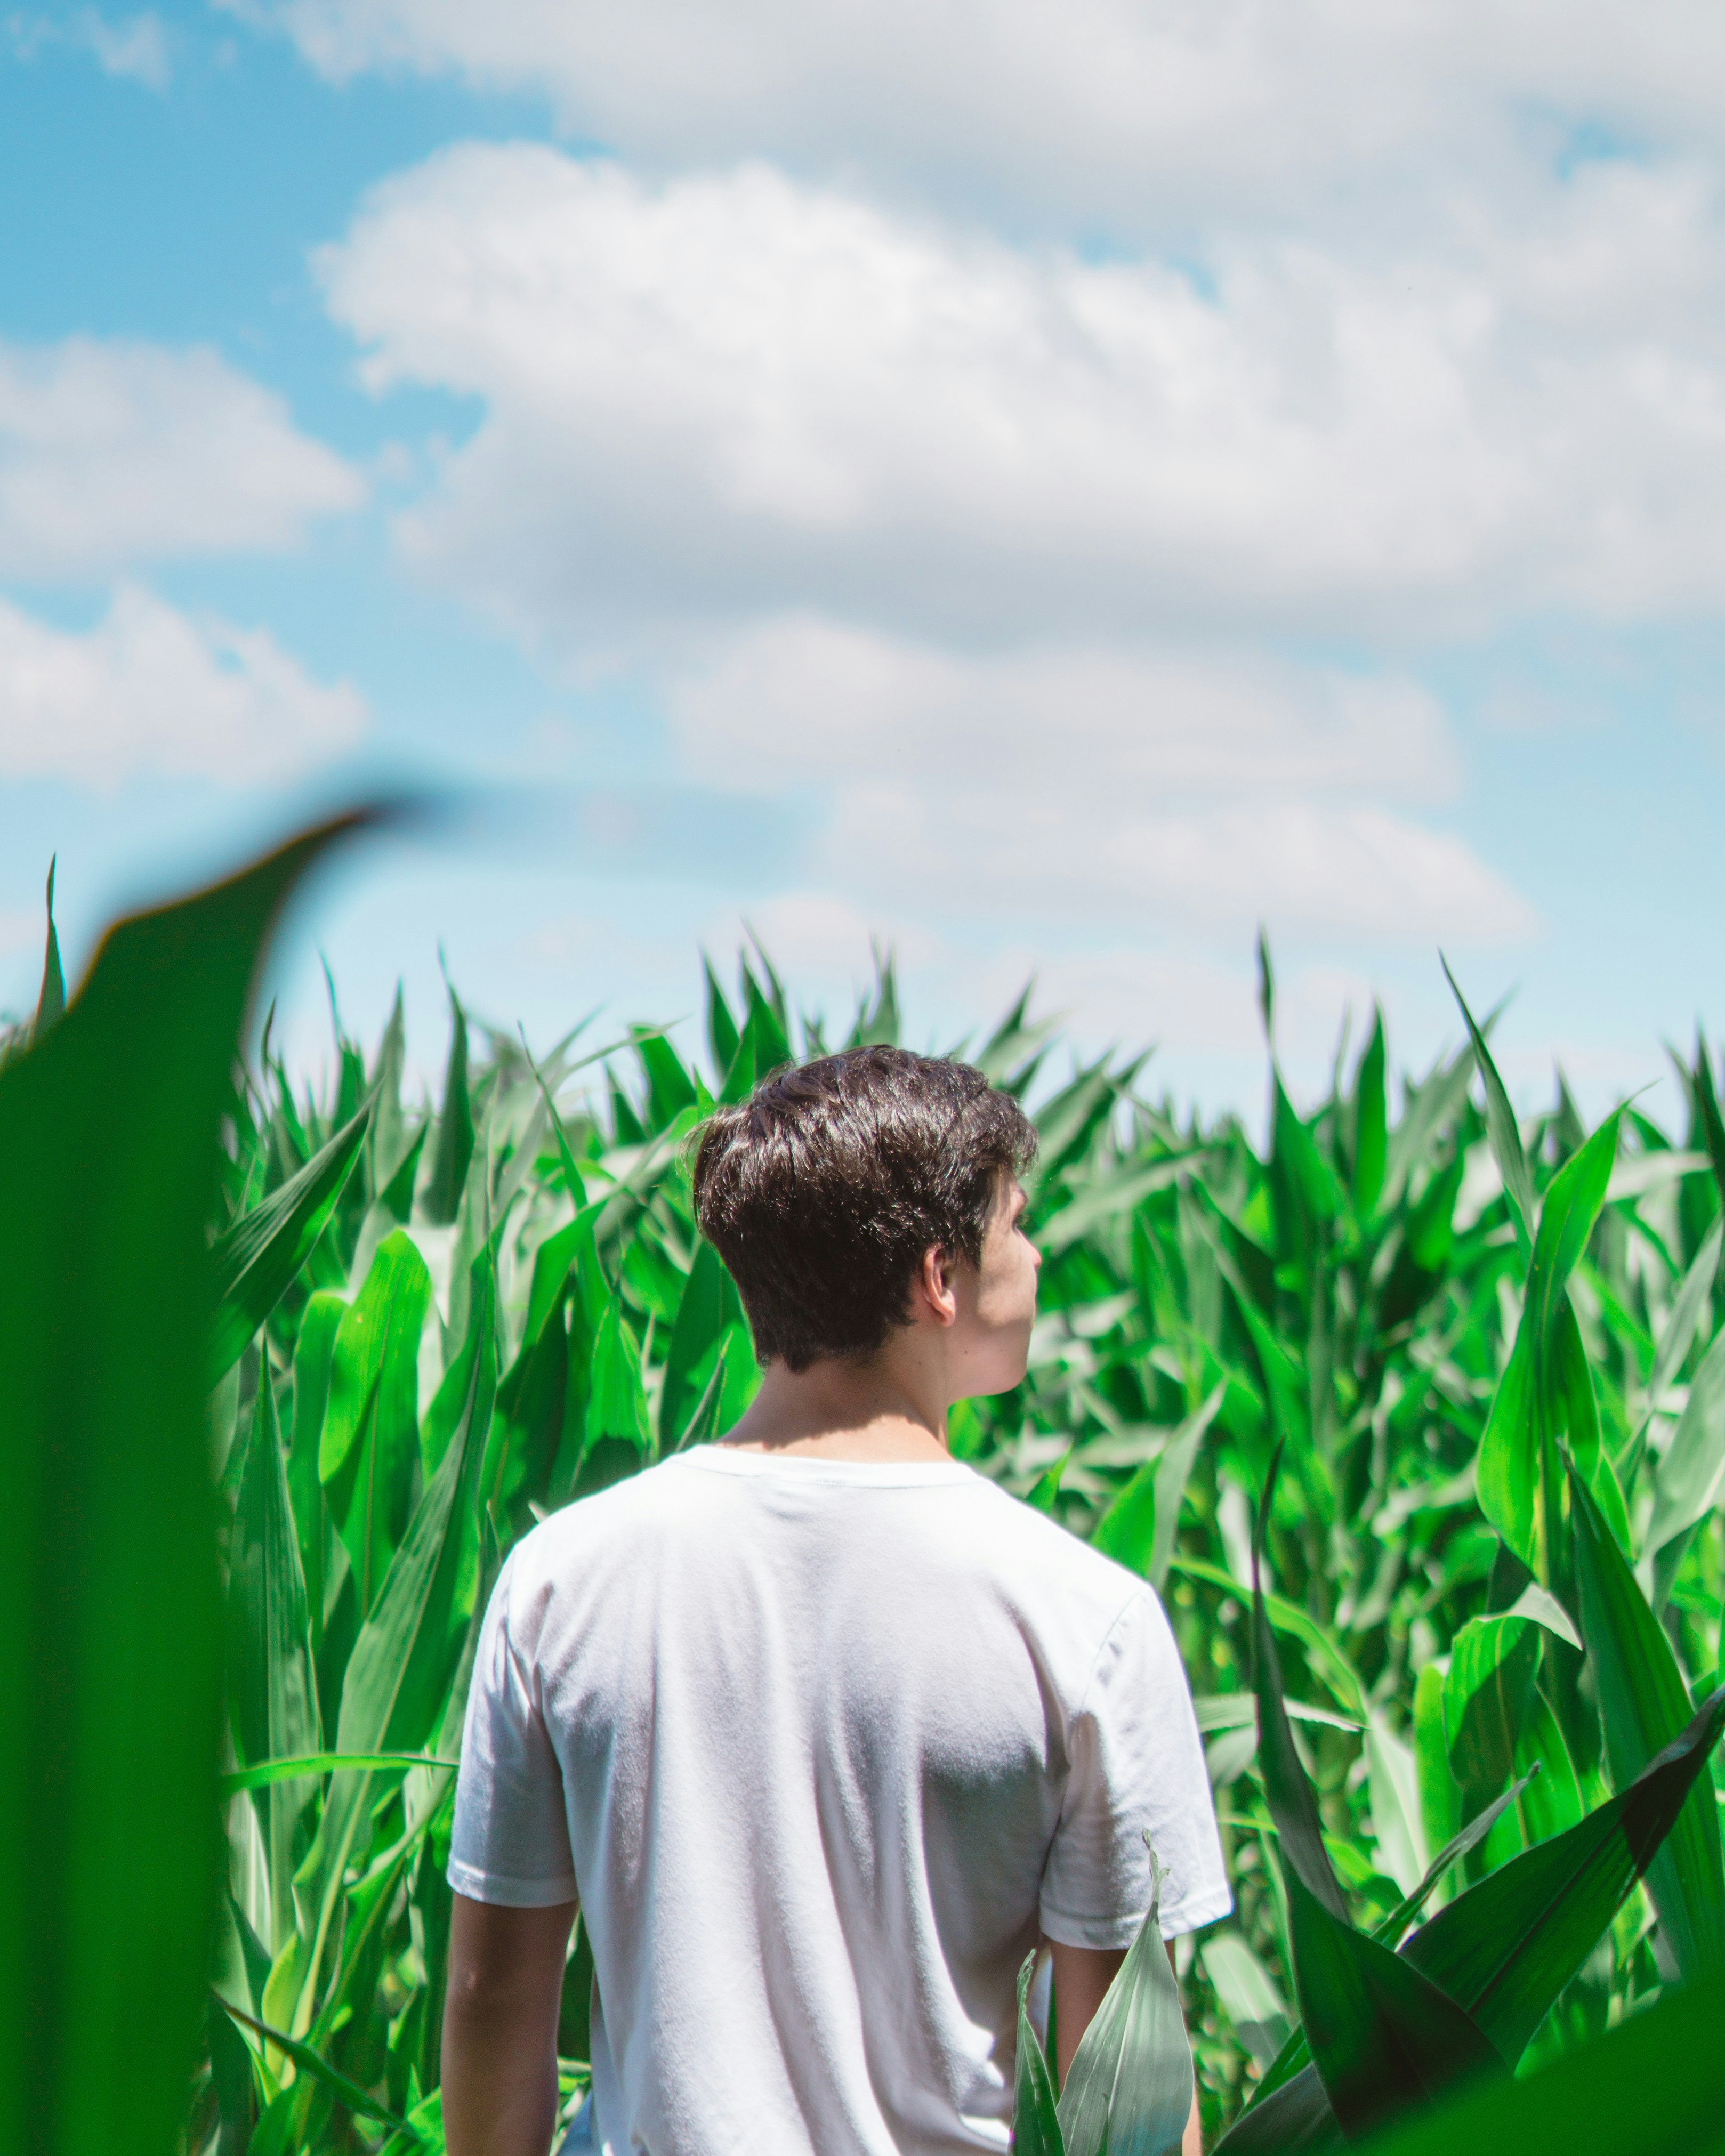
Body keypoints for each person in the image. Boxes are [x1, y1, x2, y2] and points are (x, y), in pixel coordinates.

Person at [441, 1046, 1229, 2156]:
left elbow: (491, 1994)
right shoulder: (1082, 1619)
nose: (1039, 1253)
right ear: (939, 1275)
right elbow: (1122, 2089)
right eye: (1015, 1221)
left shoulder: (562, 1580)